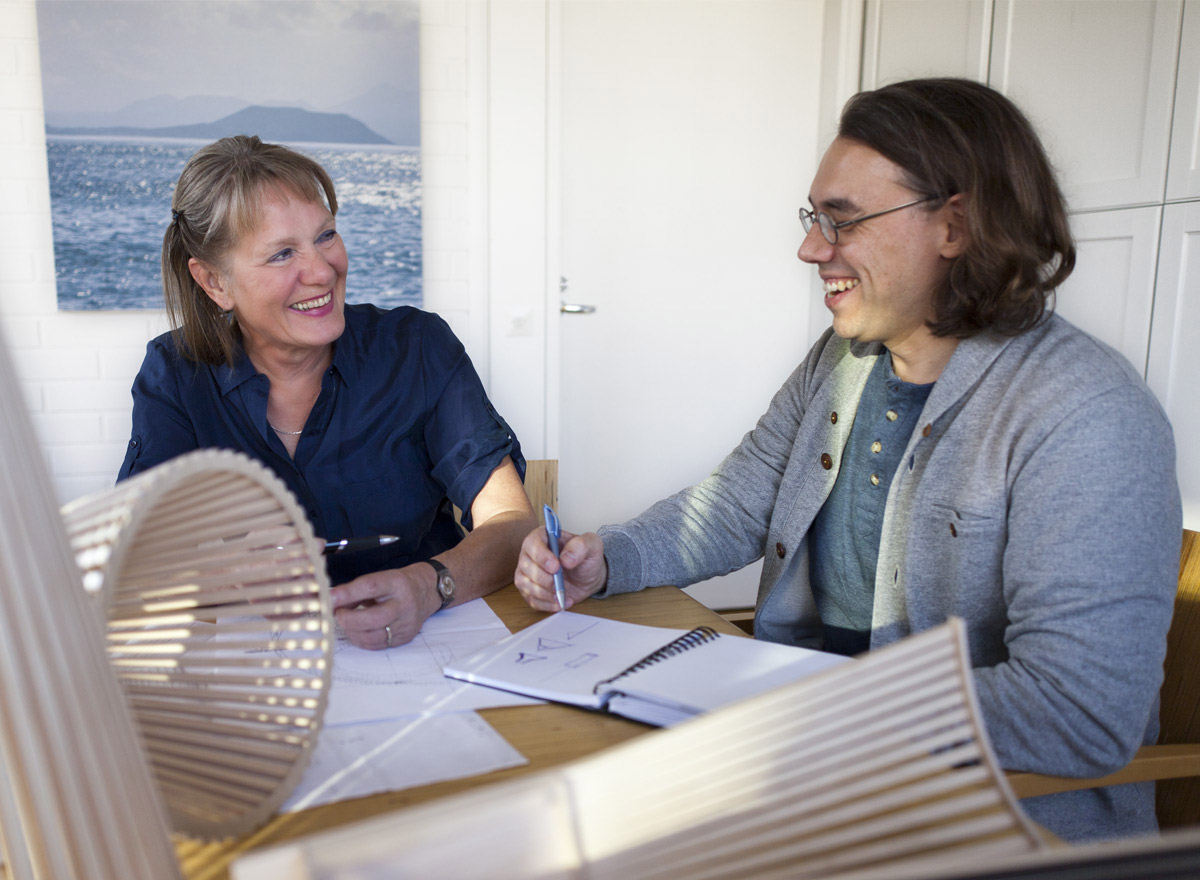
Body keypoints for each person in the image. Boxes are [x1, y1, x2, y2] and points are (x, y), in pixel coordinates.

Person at [515, 78, 1181, 842]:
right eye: (813, 219)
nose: (809, 248)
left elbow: (1079, 714)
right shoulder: (845, 356)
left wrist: (818, 708)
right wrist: (607, 558)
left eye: (843, 221)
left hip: (988, 822)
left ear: (955, 226)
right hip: (819, 764)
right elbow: (738, 504)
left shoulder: (1087, 414)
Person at [119, 135, 537, 650]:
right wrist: (229, 576)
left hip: (429, 655)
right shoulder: (174, 376)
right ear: (214, 283)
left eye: (327, 236)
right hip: (257, 673)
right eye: (281, 254)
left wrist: (429, 585)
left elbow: (512, 523)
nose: (321, 271)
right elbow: (139, 560)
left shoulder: (418, 347)